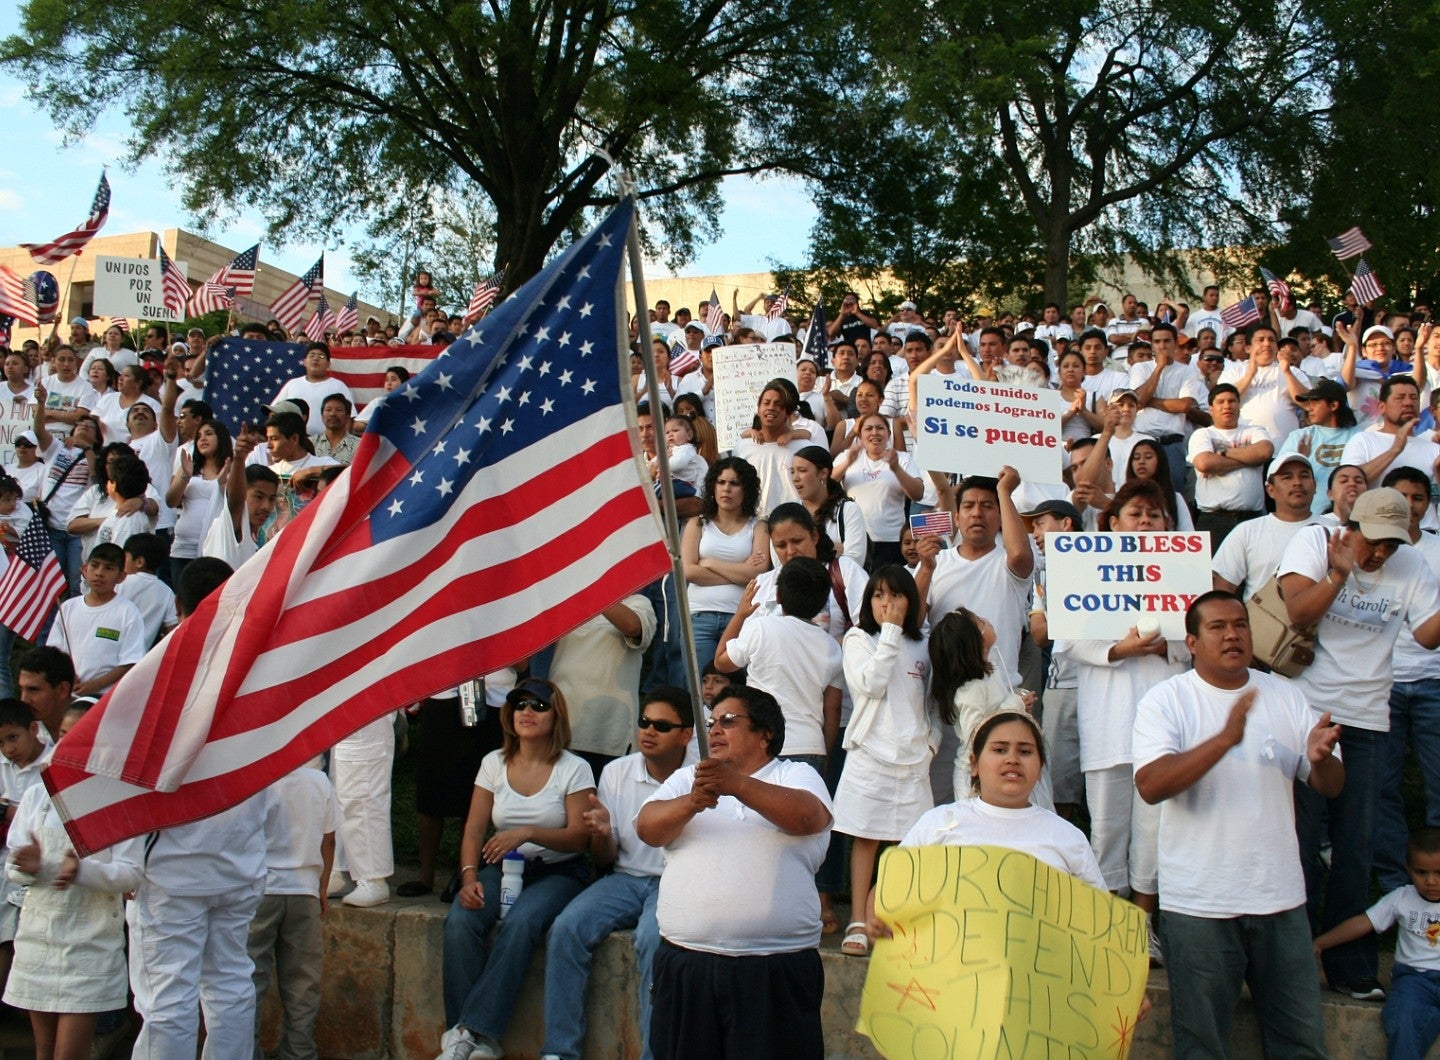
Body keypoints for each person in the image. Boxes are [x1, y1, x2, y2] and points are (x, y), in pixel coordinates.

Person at [1133, 591, 1340, 1058]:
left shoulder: (1287, 696)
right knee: (1201, 1046)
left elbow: (1330, 785)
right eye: (1218, 627)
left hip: (1280, 900)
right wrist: (1224, 740)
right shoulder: (1166, 700)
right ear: (1192, 642)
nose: (1233, 634)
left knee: (1301, 1043)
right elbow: (1151, 784)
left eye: (1241, 624)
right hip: (1199, 905)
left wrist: (1321, 759)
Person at [1280, 487, 1440, 1000]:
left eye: (1391, 545)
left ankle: (1350, 968)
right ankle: (1290, 962)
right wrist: (1340, 572)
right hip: (1305, 712)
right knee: (1298, 843)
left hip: (1370, 718)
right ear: (1351, 522)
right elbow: (1299, 612)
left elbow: (1428, 636)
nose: (1381, 554)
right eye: (1373, 542)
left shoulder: (1412, 564)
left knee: (1357, 847)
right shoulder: (1313, 541)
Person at [636, 686, 833, 1060]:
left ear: (766, 733)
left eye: (728, 721)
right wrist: (692, 801)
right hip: (687, 966)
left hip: (774, 970)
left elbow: (809, 816)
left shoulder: (796, 775)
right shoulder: (687, 779)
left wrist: (737, 785)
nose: (715, 730)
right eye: (711, 722)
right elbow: (647, 827)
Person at [1055, 480, 1189, 963]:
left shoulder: (1183, 572)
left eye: (1155, 516)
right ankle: (1106, 926)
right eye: (1136, 514)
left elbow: (1198, 642)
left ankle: (1143, 925)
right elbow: (1067, 641)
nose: (1146, 523)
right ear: (1112, 522)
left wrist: (1168, 642)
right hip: (1108, 721)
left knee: (1155, 835)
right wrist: (1120, 649)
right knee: (1108, 829)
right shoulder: (1085, 570)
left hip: (1166, 729)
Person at [439, 678, 594, 1060]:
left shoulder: (574, 768)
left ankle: (469, 1030)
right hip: (501, 868)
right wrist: (470, 877)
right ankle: (474, 1038)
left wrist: (527, 832)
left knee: (522, 923)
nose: (527, 712)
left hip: (559, 871)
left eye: (539, 706)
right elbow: (474, 828)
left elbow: (579, 839)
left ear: (556, 715)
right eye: (519, 704)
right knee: (462, 918)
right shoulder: (493, 762)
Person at [539, 687, 696, 1060]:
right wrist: (601, 832)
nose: (648, 731)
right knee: (565, 929)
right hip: (625, 878)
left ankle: (653, 1053)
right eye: (644, 722)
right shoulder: (616, 771)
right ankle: (559, 1051)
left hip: (676, 879)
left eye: (661, 725)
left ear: (686, 735)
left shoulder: (700, 775)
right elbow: (606, 856)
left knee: (652, 940)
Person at [865, 711, 1107, 948]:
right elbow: (887, 890)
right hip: (945, 980)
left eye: (1025, 751)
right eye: (1000, 749)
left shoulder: (1067, 837)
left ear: (1040, 766)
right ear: (974, 764)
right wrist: (879, 922)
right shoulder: (939, 823)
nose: (1012, 759)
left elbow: (1101, 918)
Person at [2, 700, 141, 1060]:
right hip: (38, 940)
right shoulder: (37, 795)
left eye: (79, 737)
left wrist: (80, 871)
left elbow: (130, 874)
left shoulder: (120, 799)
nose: (66, 746)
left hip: (90, 945)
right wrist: (26, 866)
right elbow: (15, 867)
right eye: (62, 735)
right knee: (43, 1052)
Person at [834, 566, 937, 957]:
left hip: (913, 758)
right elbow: (871, 684)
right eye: (878, 596)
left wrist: (932, 745)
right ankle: (858, 919)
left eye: (895, 596)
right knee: (866, 838)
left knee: (910, 845)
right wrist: (890, 633)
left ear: (911, 601)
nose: (887, 604)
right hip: (871, 753)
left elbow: (931, 701)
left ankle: (893, 918)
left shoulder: (923, 644)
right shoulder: (858, 638)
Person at [1315, 828, 1440, 1060]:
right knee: (1403, 1019)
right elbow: (1363, 923)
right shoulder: (1402, 898)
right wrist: (1321, 943)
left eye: (1439, 873)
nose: (1431, 881)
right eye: (1421, 872)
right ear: (1408, 868)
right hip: (1414, 980)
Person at [1374, 469, 1440, 894]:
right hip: (1386, 680)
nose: (1411, 504)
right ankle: (1398, 886)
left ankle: (1435, 881)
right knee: (1383, 787)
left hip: (1434, 677)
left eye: (1418, 497)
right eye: (1402, 496)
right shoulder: (1373, 549)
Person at [247, 757, 339, 1060]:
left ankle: (246, 1050)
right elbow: (329, 840)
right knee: (303, 983)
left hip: (260, 890)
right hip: (305, 891)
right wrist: (322, 886)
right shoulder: (319, 781)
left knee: (249, 979)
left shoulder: (258, 778)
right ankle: (299, 1052)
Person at [716, 558, 842, 770]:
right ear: (822, 603)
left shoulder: (761, 627)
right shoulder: (832, 647)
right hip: (811, 748)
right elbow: (833, 709)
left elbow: (721, 662)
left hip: (764, 745)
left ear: (778, 596)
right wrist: (826, 756)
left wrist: (740, 615)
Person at [681, 457, 767, 670]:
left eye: (734, 483)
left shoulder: (759, 527)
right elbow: (689, 572)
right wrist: (740, 569)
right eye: (721, 482)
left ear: (746, 489)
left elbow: (757, 574)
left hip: (741, 618)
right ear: (713, 486)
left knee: (737, 690)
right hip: (698, 616)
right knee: (701, 686)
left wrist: (709, 563)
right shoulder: (697, 523)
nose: (726, 489)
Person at [1211, 452, 1319, 599]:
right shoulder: (1247, 531)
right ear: (1270, 490)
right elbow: (1222, 591)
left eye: (1304, 476)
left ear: (1315, 486)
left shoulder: (1335, 530)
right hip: (1262, 621)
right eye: (1287, 477)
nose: (1297, 482)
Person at [45, 543, 145, 698]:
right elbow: (55, 651)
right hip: (69, 692)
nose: (99, 573)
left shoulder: (128, 611)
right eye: (95, 566)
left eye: (109, 568)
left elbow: (131, 661)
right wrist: (68, 675)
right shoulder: (68, 607)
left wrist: (96, 685)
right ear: (85, 569)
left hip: (106, 695)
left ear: (121, 576)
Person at [832, 413, 925, 568]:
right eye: (868, 429)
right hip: (856, 540)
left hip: (891, 541)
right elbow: (826, 486)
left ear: (888, 434)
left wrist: (896, 469)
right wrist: (847, 463)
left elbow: (918, 494)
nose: (874, 432)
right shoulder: (848, 456)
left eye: (880, 428)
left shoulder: (901, 458)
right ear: (860, 436)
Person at [1186, 382, 1273, 545]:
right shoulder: (1202, 434)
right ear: (1211, 409)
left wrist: (1223, 453)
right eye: (1221, 402)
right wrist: (1250, 460)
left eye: (1232, 401)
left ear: (1239, 406)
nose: (1227, 406)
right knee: (1212, 571)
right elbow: (1204, 463)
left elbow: (1265, 452)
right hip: (1214, 519)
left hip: (1252, 519)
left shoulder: (1255, 430)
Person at [789, 445, 868, 567]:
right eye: (792, 471)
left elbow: (853, 563)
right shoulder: (790, 513)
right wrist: (829, 551)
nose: (795, 478)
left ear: (823, 473)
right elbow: (781, 563)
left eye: (802, 470)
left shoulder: (848, 510)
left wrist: (805, 555)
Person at [273, 343, 355, 436]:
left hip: (328, 445)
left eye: (321, 356)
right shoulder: (292, 384)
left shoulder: (338, 386)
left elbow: (349, 417)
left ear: (328, 364)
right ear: (304, 361)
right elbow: (274, 412)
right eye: (312, 355)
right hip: (294, 443)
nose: (316, 359)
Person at [117, 533, 177, 647]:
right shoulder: (166, 592)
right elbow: (172, 629)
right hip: (140, 656)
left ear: (139, 562)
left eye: (125, 557)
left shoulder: (120, 582)